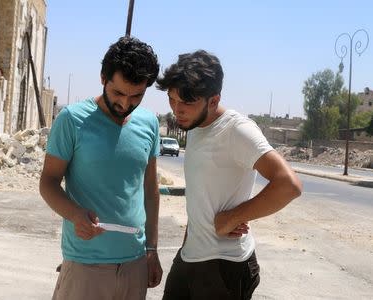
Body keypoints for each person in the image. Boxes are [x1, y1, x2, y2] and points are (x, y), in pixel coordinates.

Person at [156, 50, 303, 300]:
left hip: (224, 265)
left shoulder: (237, 129)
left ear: (213, 101)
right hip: (190, 256)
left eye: (186, 103)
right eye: (172, 99)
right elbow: (202, 195)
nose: (177, 110)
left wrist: (233, 217)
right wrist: (186, 244)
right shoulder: (194, 127)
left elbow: (289, 185)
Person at [39, 36, 162, 300]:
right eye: (118, 93)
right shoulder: (72, 119)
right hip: (85, 265)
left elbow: (150, 191)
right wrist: (75, 214)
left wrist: (151, 249)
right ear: (103, 77)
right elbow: (48, 182)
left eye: (136, 96)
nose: (125, 104)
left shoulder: (149, 123)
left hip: (135, 265)